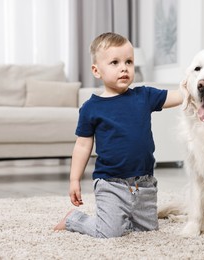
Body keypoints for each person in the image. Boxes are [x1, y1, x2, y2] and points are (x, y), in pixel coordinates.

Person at [54, 32, 183, 238]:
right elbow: (82, 146)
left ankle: (121, 217)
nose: (124, 67)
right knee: (110, 232)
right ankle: (75, 219)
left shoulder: (144, 96)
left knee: (148, 231)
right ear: (97, 70)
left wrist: (197, 84)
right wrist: (74, 179)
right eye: (114, 62)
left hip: (144, 183)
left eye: (129, 62)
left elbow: (177, 96)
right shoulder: (91, 108)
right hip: (110, 183)